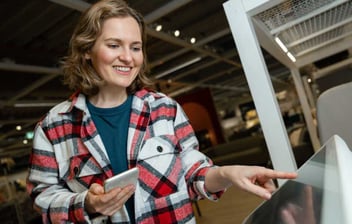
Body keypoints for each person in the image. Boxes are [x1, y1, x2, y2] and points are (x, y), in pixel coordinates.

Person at [26, 0, 297, 223]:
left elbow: (193, 173)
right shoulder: (53, 127)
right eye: (113, 45)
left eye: (135, 47)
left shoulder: (165, 110)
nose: (128, 57)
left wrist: (227, 174)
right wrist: (87, 203)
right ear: (87, 50)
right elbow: (43, 197)